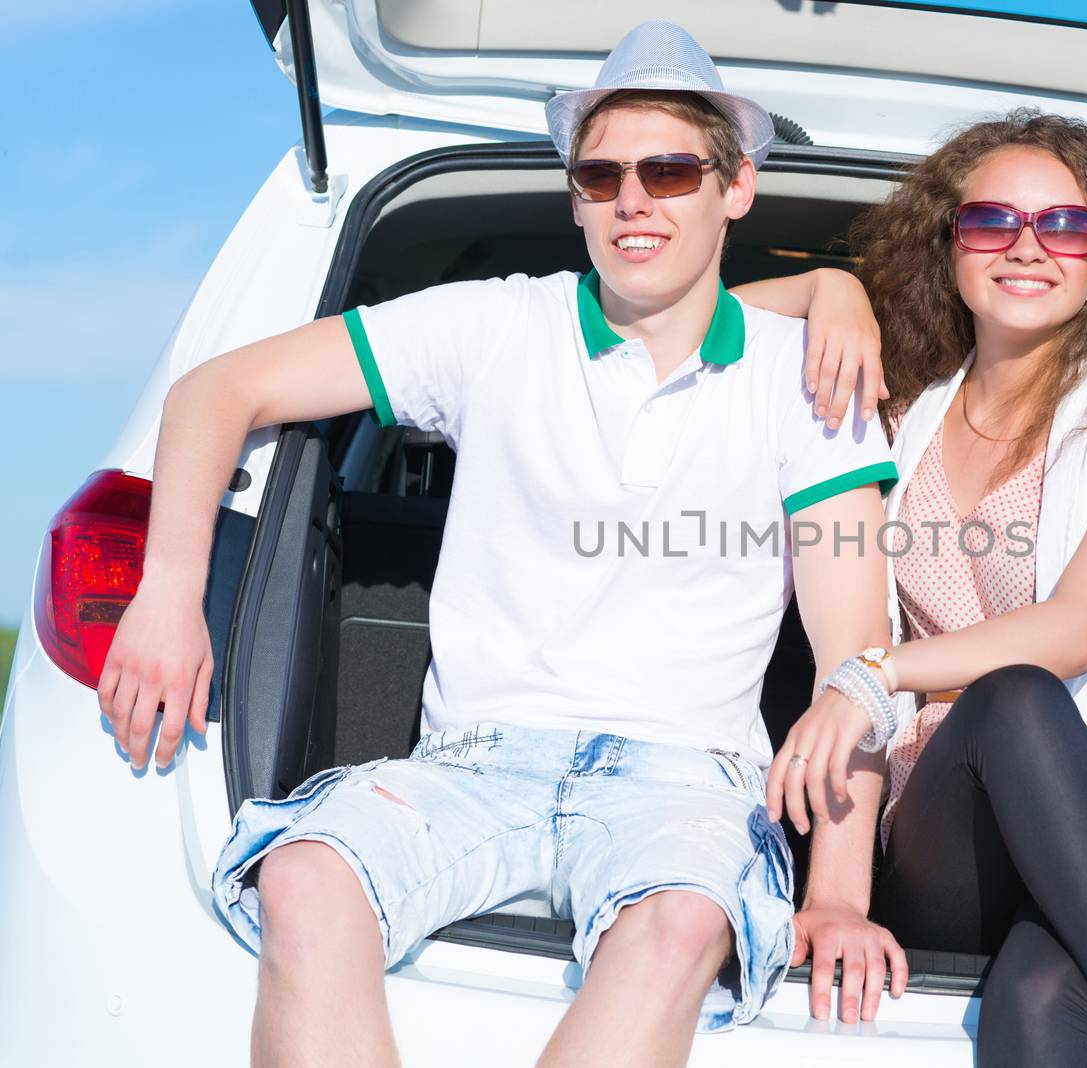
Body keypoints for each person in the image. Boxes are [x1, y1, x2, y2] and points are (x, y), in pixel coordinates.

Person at [94, 22, 903, 1067]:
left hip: (687, 787)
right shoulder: (493, 329)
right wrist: (167, 590)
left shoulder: (811, 380)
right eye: (600, 175)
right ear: (573, 195)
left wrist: (837, 894)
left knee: (680, 926)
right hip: (475, 764)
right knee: (302, 876)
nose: (632, 200)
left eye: (668, 170)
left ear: (734, 187)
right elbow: (218, 389)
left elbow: (856, 658)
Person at [738, 110, 1087, 1066]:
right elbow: (698, 332)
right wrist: (831, 287)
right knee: (1006, 703)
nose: (1028, 247)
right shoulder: (891, 422)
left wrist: (877, 673)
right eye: (992, 223)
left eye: (1065, 227)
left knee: (1039, 991)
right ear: (951, 249)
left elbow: (1074, 630)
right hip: (957, 843)